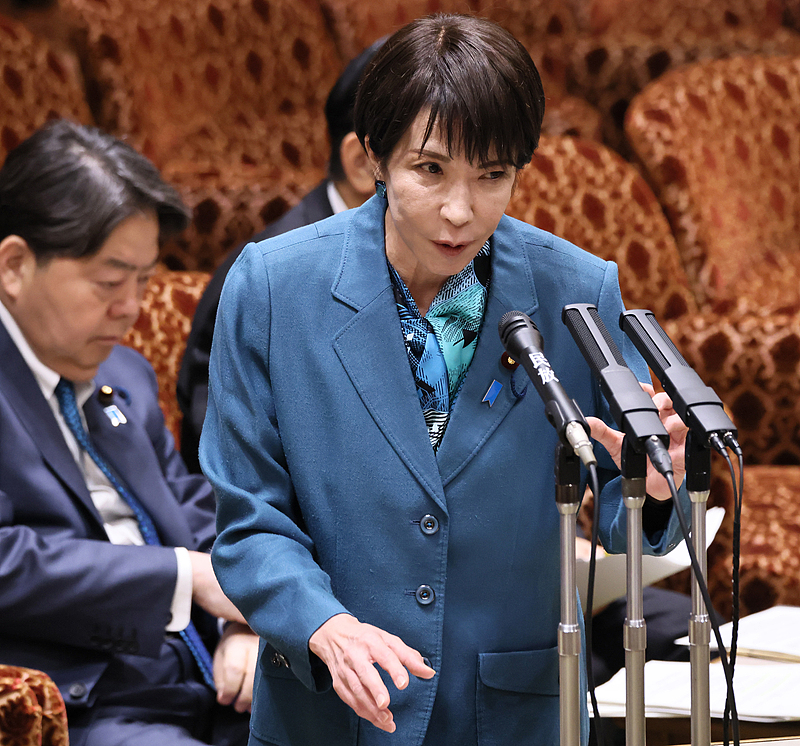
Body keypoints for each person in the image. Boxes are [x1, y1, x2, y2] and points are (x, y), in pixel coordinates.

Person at [202, 14, 691, 746]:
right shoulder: (274, 287)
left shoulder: (577, 290)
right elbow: (248, 520)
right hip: (329, 713)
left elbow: (632, 523)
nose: (461, 212)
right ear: (373, 157)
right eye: (430, 171)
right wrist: (323, 625)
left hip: (511, 712)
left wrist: (655, 492)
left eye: (493, 176)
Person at [0, 119, 258, 746]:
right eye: (111, 282)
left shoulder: (125, 371)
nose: (132, 309)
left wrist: (241, 624)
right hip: (85, 701)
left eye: (144, 281)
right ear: (14, 264)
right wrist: (183, 578)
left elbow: (189, 504)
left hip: (210, 680)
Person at [176, 39, 382, 472]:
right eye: (432, 166)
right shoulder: (264, 279)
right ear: (362, 164)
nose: (457, 207)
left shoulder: (449, 263)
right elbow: (226, 461)